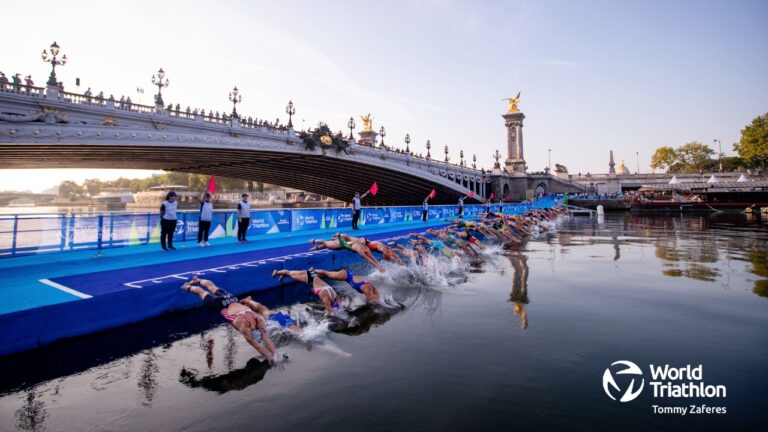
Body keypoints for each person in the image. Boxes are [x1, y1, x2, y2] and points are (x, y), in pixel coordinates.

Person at [181, 277, 280, 361]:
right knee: (201, 292)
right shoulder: (246, 326)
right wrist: (272, 359)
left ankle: (197, 280)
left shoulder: (258, 319)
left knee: (212, 287)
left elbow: (265, 340)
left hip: (231, 299)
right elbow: (258, 346)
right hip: (218, 304)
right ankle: (187, 286)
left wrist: (275, 354)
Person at [271, 268, 341, 315]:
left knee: (291, 274)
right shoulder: (326, 297)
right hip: (309, 278)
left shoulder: (335, 296)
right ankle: (277, 272)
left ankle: (284, 275)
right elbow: (330, 312)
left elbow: (339, 307)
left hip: (313, 277)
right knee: (290, 273)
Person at [309, 233, 382, 271]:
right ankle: (314, 241)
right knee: (327, 243)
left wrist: (378, 265)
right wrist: (377, 266)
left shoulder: (360, 245)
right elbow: (369, 258)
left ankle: (315, 244)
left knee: (328, 244)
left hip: (344, 243)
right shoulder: (360, 247)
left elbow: (370, 257)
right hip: (343, 244)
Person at [314, 268, 381, 303]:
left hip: (348, 275)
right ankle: (313, 271)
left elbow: (375, 296)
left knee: (326, 275)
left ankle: (314, 275)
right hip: (346, 275)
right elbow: (371, 301)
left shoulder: (371, 289)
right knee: (327, 274)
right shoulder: (368, 290)